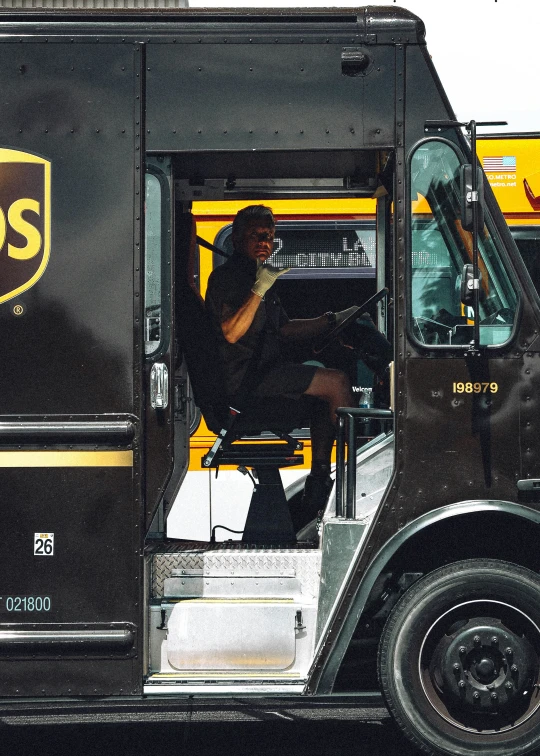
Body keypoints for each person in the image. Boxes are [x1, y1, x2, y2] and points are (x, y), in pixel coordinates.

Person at [205, 204, 360, 532]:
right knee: (337, 384)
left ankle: (319, 481)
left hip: (263, 377)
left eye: (270, 236)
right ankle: (338, 482)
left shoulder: (259, 276)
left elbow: (285, 329)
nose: (265, 241)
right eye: (256, 235)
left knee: (324, 392)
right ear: (236, 239)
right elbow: (232, 332)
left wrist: (332, 319)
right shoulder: (228, 279)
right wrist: (258, 290)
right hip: (245, 384)